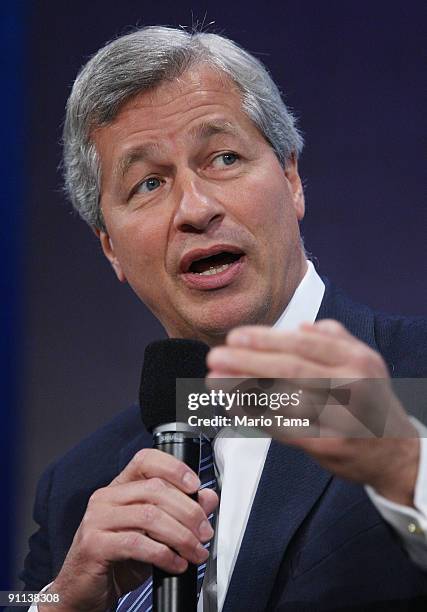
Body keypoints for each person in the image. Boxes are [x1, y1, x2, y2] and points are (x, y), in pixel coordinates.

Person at [16, 26, 427, 611]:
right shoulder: (75, 489)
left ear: (291, 179)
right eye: (148, 183)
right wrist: (64, 601)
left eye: (224, 157)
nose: (195, 209)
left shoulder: (416, 382)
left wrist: (409, 474)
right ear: (110, 248)